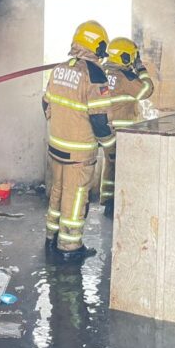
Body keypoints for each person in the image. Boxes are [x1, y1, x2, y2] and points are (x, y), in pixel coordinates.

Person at [43, 20, 115, 262]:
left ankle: (51, 237)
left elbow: (46, 103)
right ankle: (69, 247)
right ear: (97, 45)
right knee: (75, 199)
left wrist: (61, 127)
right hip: (79, 154)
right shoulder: (94, 74)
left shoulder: (59, 69)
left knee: (57, 191)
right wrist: (111, 147)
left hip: (56, 147)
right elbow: (100, 120)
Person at [100, 37, 154, 212]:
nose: (133, 60)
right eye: (132, 56)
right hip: (122, 132)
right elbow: (147, 90)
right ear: (124, 57)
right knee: (123, 168)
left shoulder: (101, 72)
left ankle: (108, 201)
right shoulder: (124, 77)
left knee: (110, 165)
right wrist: (141, 68)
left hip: (105, 129)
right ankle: (121, 206)